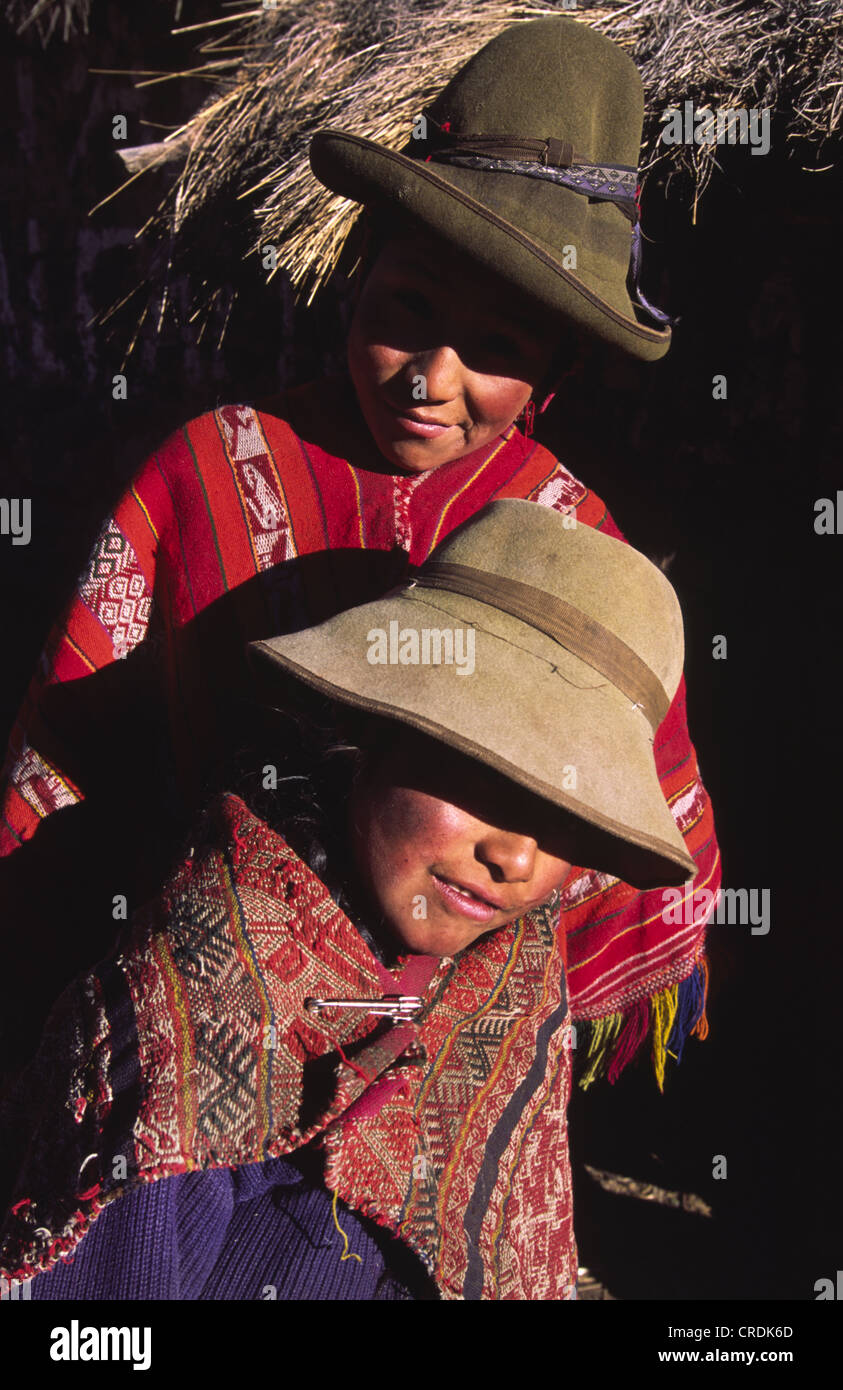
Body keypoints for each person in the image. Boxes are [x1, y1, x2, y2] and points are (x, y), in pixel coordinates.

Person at [0, 18, 719, 1093]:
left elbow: (627, 819)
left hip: (447, 1054)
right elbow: (74, 757)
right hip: (202, 1013)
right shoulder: (205, 475)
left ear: (554, 377)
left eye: (498, 349)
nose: (432, 376)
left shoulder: (576, 548)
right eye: (410, 310)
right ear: (358, 273)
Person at [0, 500, 710, 1301]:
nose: (513, 857)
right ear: (368, 729)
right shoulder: (185, 1032)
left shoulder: (517, 989)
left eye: (568, 821)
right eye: (482, 777)